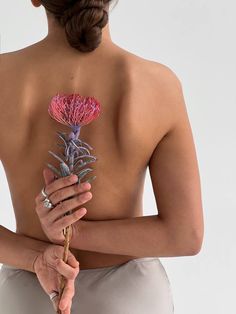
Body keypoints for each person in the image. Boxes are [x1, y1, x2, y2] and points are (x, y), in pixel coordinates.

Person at [0, 0, 204, 313]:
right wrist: (78, 231)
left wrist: (38, 256)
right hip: (130, 295)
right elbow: (185, 234)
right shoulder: (157, 84)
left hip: (30, 292)